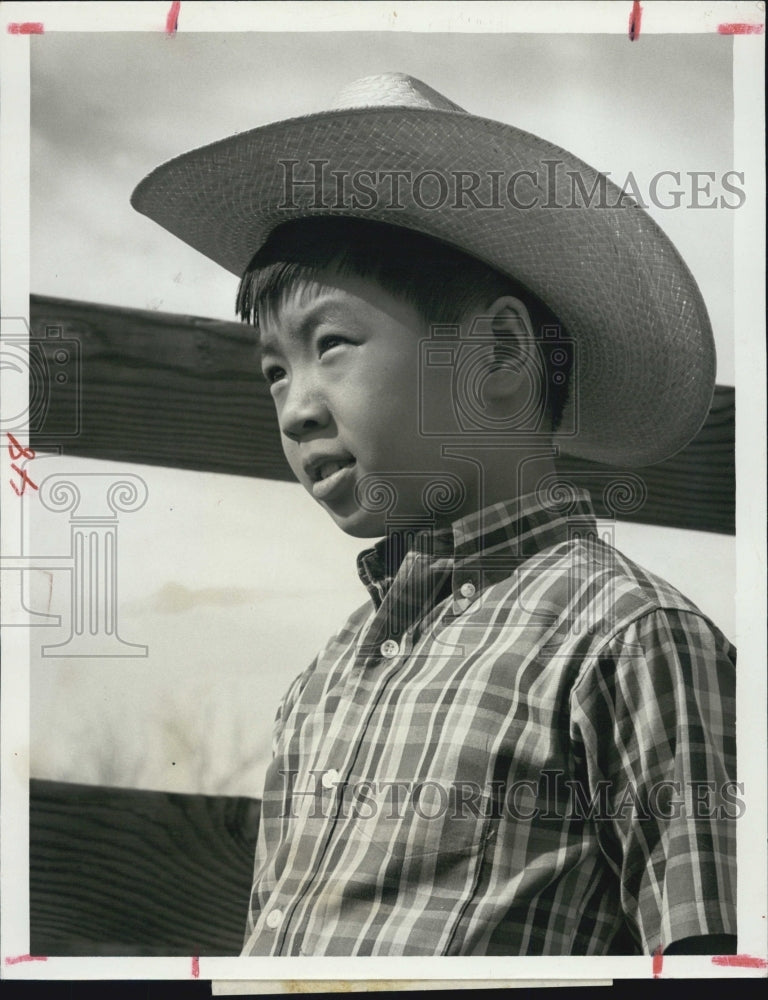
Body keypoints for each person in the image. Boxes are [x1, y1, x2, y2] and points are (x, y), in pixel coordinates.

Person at [132, 73, 737, 957]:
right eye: (273, 369)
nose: (295, 406)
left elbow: (707, 958)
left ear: (497, 350)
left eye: (330, 344)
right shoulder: (328, 678)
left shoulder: (631, 640)